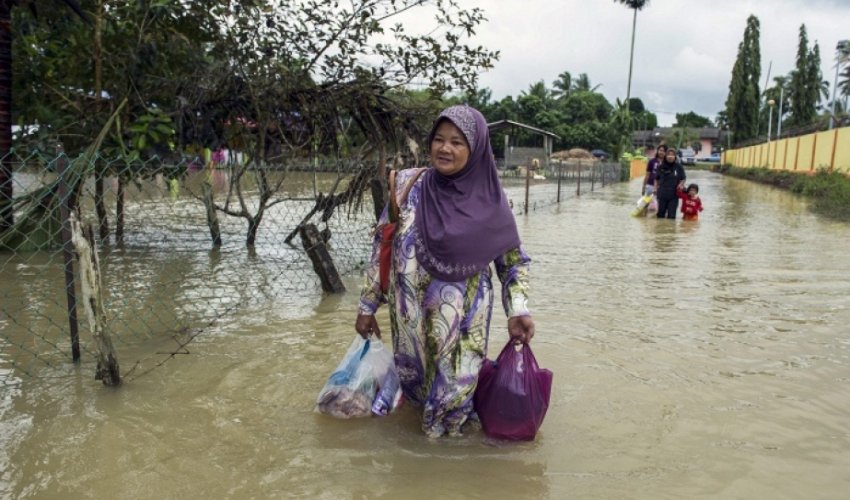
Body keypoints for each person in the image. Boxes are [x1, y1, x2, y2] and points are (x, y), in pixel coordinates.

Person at [355, 105, 535, 438]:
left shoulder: (494, 200)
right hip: (410, 322)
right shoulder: (408, 186)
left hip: (465, 324)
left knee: (453, 403)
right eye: (439, 139)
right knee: (418, 399)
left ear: (476, 148)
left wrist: (518, 310)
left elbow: (512, 263)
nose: (445, 148)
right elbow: (381, 246)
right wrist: (367, 306)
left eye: (457, 141)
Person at [654, 148, 686, 219]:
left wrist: (681, 184)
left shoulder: (679, 167)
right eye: (668, 154)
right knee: (660, 215)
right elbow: (656, 179)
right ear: (665, 156)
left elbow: (683, 178)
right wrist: (655, 188)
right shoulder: (660, 167)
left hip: (674, 195)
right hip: (662, 194)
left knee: (671, 216)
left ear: (675, 157)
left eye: (672, 155)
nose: (670, 156)